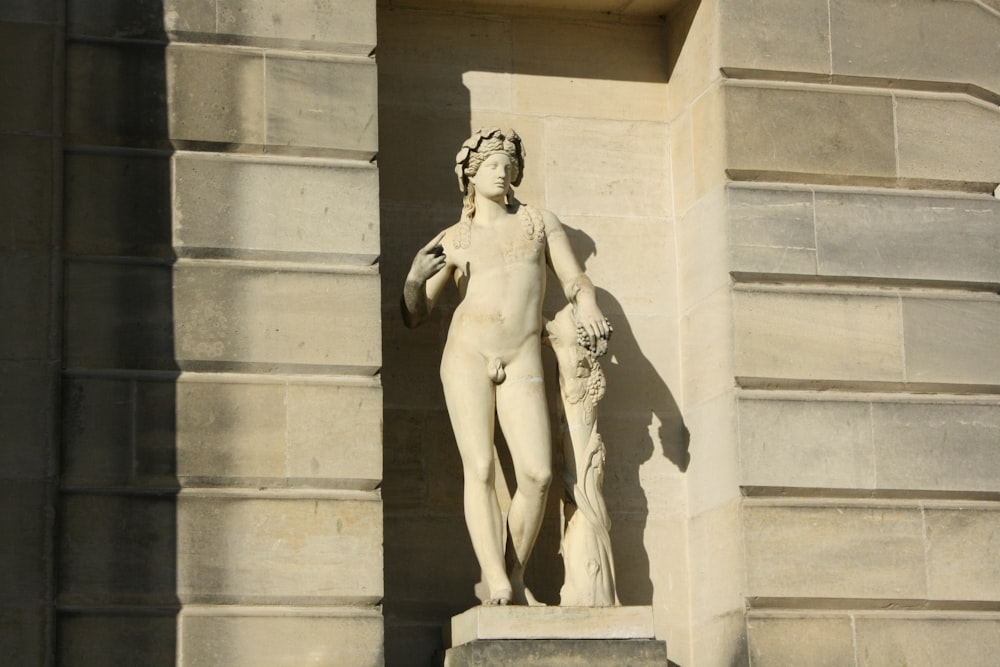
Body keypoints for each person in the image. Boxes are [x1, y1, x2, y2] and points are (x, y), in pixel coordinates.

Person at [401, 128, 611, 606]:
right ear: (470, 175)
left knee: (537, 474)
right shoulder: (454, 238)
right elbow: (415, 315)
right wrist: (415, 277)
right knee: (479, 468)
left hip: (522, 354)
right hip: (467, 354)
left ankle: (513, 575)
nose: (503, 169)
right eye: (493, 163)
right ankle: (495, 580)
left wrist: (589, 304)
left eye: (508, 163)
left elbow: (574, 274)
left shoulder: (539, 222)